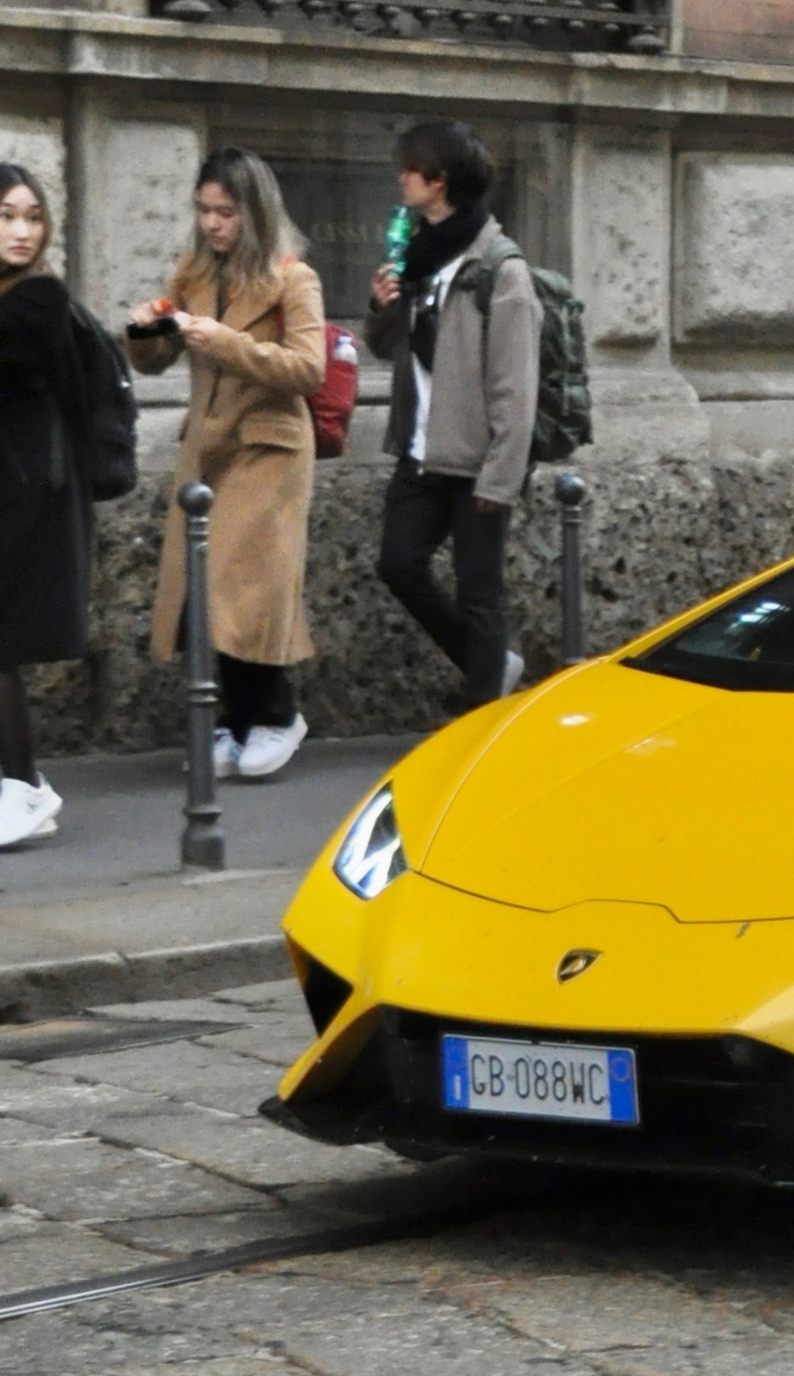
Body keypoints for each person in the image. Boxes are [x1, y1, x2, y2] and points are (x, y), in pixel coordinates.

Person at [130, 147, 325, 781]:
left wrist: (229, 344)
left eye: (226, 212)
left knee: (245, 590)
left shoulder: (293, 278)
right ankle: (232, 720)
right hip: (207, 449)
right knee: (206, 592)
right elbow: (155, 364)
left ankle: (274, 715)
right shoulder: (193, 274)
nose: (213, 223)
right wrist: (146, 332)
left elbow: (309, 369)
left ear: (254, 211)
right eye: (205, 210)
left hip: (269, 450)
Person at [366, 120, 536, 709]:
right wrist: (382, 306)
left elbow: (517, 385)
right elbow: (387, 348)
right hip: (418, 452)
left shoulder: (499, 269)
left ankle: (485, 710)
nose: (401, 177)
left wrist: (501, 475)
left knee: (479, 591)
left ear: (438, 183)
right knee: (398, 563)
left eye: (410, 169)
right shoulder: (415, 256)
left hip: (473, 457)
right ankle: (486, 660)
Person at [0, 167, 90, 845]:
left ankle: (23, 786)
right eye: (6, 216)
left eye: (32, 216)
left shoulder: (39, 298)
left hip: (27, 493)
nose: (22, 231)